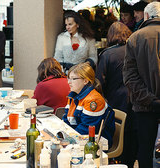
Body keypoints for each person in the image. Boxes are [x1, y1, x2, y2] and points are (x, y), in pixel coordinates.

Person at [123, 2, 160, 167]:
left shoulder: (135, 37)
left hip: (145, 107)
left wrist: (150, 100)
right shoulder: (136, 37)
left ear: (146, 16)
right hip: (147, 104)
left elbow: (130, 76)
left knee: (145, 150)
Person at [96, 22, 137, 167]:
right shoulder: (135, 50)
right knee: (133, 135)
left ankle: (118, 162)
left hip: (115, 100)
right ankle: (129, 163)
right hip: (136, 99)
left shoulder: (107, 54)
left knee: (119, 135)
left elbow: (99, 82)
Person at [63, 63, 115, 147]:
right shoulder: (73, 95)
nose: (69, 82)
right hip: (79, 137)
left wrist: (68, 140)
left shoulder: (93, 100)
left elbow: (86, 129)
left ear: (85, 81)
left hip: (94, 143)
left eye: (73, 79)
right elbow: (66, 119)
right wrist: (63, 133)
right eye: (68, 78)